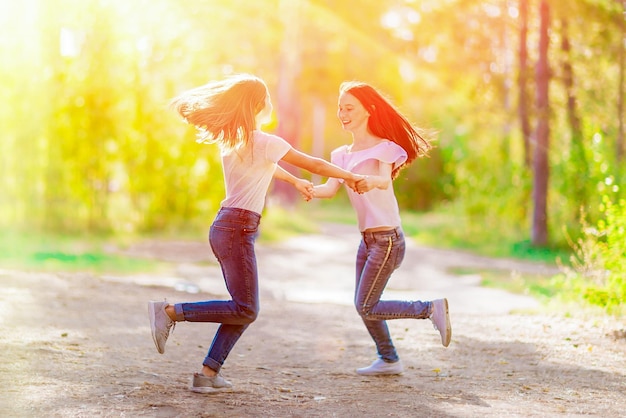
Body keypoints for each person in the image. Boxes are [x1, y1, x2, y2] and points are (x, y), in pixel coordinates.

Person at [148, 73, 363, 393]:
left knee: (242, 307)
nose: (272, 103)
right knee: (246, 308)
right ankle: (170, 313)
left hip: (226, 227)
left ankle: (208, 374)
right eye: (269, 98)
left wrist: (293, 182)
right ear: (259, 105)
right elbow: (314, 164)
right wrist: (349, 176)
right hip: (236, 229)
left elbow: (268, 165)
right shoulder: (264, 142)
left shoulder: (238, 142)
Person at [311, 81, 451, 376]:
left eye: (349, 108)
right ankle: (389, 359)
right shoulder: (341, 155)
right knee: (364, 303)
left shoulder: (384, 149)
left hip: (388, 240)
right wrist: (305, 187)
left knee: (366, 305)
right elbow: (328, 189)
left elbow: (384, 181)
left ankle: (429, 309)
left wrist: (368, 181)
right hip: (367, 240)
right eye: (340, 108)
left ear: (368, 110)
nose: (342, 113)